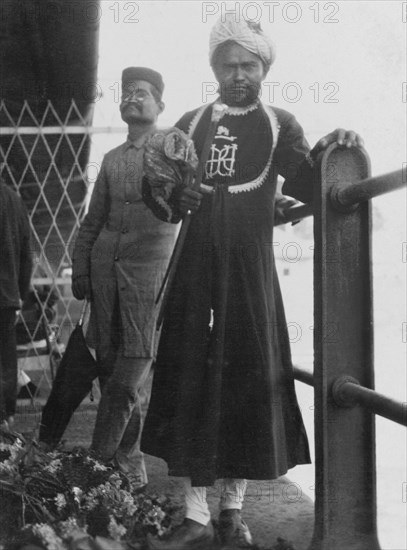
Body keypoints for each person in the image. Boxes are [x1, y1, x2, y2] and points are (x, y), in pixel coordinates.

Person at [141, 16, 363, 550]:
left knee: (242, 381)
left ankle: (230, 514)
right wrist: (177, 198)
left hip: (249, 275)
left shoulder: (279, 122)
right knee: (193, 377)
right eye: (228, 64)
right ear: (214, 67)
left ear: (264, 67)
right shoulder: (189, 123)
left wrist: (335, 146)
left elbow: (310, 179)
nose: (238, 73)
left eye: (249, 64)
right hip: (196, 271)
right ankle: (194, 515)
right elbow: (160, 197)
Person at [70, 67, 178, 485]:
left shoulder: (174, 149)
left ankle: (95, 466)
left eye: (143, 93)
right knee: (110, 371)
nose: (133, 98)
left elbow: (202, 192)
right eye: (127, 93)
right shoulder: (113, 160)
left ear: (160, 105)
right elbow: (92, 221)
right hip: (103, 282)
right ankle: (130, 473)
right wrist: (81, 267)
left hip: (148, 283)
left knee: (127, 382)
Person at [0, 178, 32, 431]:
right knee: (7, 359)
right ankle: (7, 416)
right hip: (7, 295)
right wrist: (20, 292)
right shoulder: (14, 199)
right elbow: (26, 250)